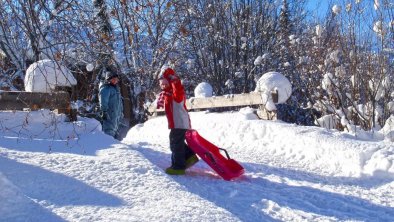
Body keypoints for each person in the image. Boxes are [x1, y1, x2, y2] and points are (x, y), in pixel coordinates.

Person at [157, 67, 199, 175]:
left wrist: (174, 80)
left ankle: (178, 167)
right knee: (176, 142)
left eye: (165, 84)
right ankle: (190, 157)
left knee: (176, 144)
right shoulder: (167, 95)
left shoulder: (176, 94)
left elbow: (178, 90)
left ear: (170, 83)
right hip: (176, 124)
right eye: (161, 84)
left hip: (180, 123)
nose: (163, 86)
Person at [99, 71, 123, 139]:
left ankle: (115, 146)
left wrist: (121, 112)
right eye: (114, 79)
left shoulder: (115, 89)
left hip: (116, 115)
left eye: (116, 79)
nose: (116, 81)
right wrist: (104, 111)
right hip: (110, 114)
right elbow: (103, 101)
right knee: (109, 131)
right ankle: (108, 145)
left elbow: (119, 102)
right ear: (109, 79)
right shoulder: (106, 89)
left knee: (115, 131)